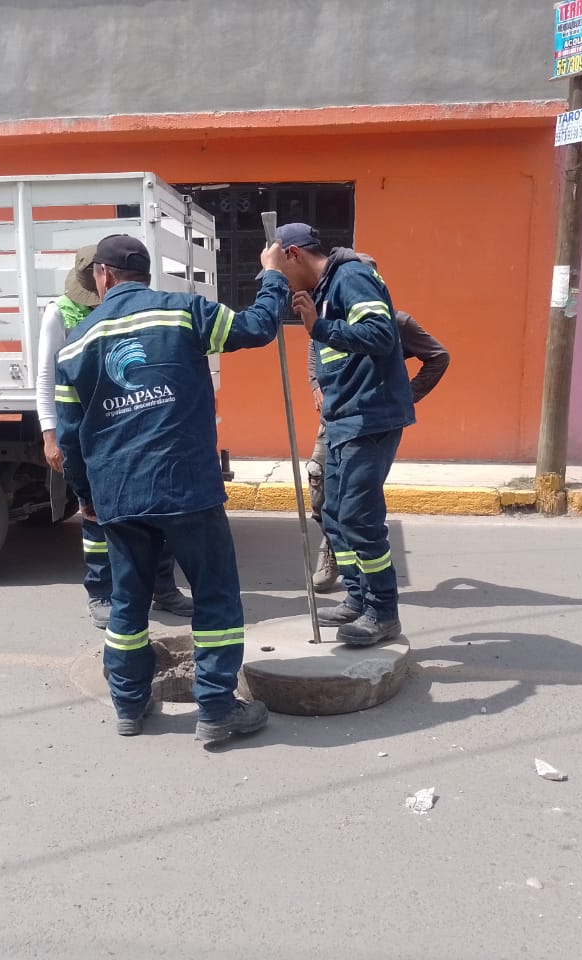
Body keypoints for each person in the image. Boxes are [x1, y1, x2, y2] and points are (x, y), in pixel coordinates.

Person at [55, 234, 291, 743]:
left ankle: (129, 704)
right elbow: (258, 326)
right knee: (216, 596)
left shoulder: (75, 344)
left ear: (103, 276)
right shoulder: (183, 312)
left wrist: (86, 497)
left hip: (118, 494)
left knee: (127, 603)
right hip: (186, 486)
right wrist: (272, 276)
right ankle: (216, 709)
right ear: (143, 273)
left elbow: (70, 436)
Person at [36, 244, 193, 628]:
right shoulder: (62, 313)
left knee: (157, 511)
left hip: (135, 423)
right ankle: (101, 592)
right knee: (95, 516)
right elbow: (46, 377)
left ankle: (162, 587)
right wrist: (50, 436)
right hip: (91, 430)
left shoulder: (134, 306)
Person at [276, 223, 414, 646]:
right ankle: (358, 596)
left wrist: (320, 327)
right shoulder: (324, 290)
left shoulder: (350, 277)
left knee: (359, 516)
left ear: (295, 254)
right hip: (342, 418)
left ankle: (383, 612)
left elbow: (379, 334)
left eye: (280, 267)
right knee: (334, 513)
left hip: (368, 418)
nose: (280, 279)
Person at [306, 251, 450, 591]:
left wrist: (405, 395)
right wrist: (316, 385)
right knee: (323, 497)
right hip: (334, 418)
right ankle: (339, 557)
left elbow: (438, 357)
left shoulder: (395, 323)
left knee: (356, 508)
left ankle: (370, 595)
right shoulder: (330, 313)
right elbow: (315, 351)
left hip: (367, 419)